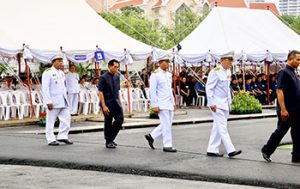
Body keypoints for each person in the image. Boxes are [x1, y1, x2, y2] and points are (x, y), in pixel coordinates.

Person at [261, 50, 300, 163]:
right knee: (281, 131)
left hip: (296, 110)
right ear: (290, 59)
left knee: (297, 133)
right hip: (287, 110)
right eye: (297, 60)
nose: (299, 62)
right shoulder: (284, 72)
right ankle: (267, 150)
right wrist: (283, 109)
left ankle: (297, 156)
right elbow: (279, 91)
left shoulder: (294, 73)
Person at [206, 54, 242, 158]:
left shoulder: (228, 72)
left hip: (225, 104)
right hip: (216, 104)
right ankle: (231, 150)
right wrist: (211, 103)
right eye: (229, 60)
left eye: (231, 60)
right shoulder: (215, 72)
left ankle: (212, 150)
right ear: (222, 60)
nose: (231, 63)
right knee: (222, 127)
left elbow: (226, 90)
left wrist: (230, 103)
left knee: (217, 127)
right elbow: (209, 88)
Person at [145, 58, 177, 153]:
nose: (167, 64)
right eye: (166, 62)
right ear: (160, 63)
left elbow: (170, 90)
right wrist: (154, 105)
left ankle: (152, 136)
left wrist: (173, 103)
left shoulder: (168, 75)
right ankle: (167, 145)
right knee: (166, 125)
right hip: (161, 103)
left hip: (169, 103)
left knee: (167, 124)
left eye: (168, 62)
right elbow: (152, 91)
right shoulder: (155, 75)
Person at [42, 55, 73, 146]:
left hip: (63, 100)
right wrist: (48, 101)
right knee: (51, 121)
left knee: (66, 118)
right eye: (59, 61)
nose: (61, 63)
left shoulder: (61, 73)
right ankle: (50, 139)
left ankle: (62, 136)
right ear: (53, 62)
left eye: (61, 61)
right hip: (53, 101)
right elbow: (45, 88)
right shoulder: (48, 72)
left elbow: (63, 87)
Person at [98, 59, 124, 149]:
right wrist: (103, 106)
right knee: (108, 122)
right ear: (109, 66)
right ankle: (108, 141)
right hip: (107, 103)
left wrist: (120, 102)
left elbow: (117, 91)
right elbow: (100, 92)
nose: (116, 68)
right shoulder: (103, 77)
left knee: (120, 120)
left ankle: (110, 138)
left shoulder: (117, 76)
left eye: (117, 67)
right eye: (115, 67)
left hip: (116, 102)